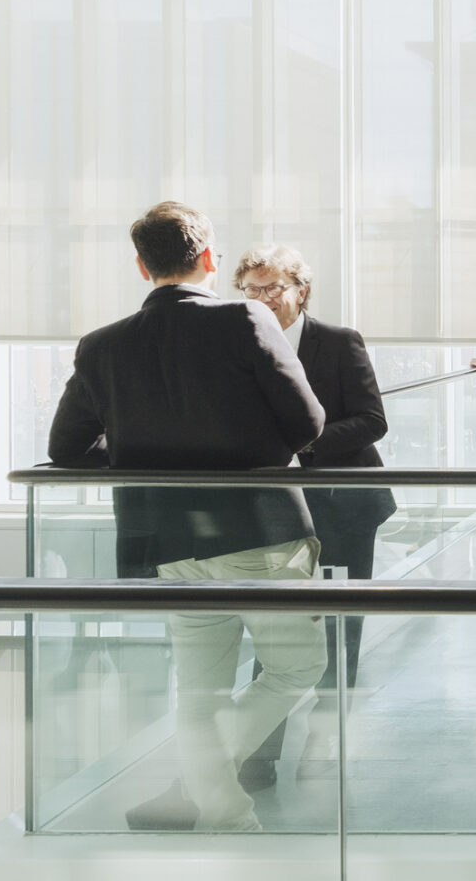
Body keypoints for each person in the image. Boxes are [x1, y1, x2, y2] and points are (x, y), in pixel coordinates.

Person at [48, 202, 327, 833]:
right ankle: (216, 770)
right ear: (208, 259)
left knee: (199, 690)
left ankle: (225, 814)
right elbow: (309, 423)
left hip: (171, 539)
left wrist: (144, 453)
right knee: (297, 667)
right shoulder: (247, 317)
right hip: (262, 532)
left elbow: (66, 451)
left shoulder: (103, 345)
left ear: (143, 267)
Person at [231, 245, 398, 791]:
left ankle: (326, 737)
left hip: (345, 508)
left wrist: (303, 446)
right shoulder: (239, 341)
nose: (261, 298)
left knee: (341, 630)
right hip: (275, 512)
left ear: (301, 290)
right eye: (251, 289)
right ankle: (259, 754)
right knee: (274, 631)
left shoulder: (338, 341)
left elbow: (373, 421)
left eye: (272, 287)